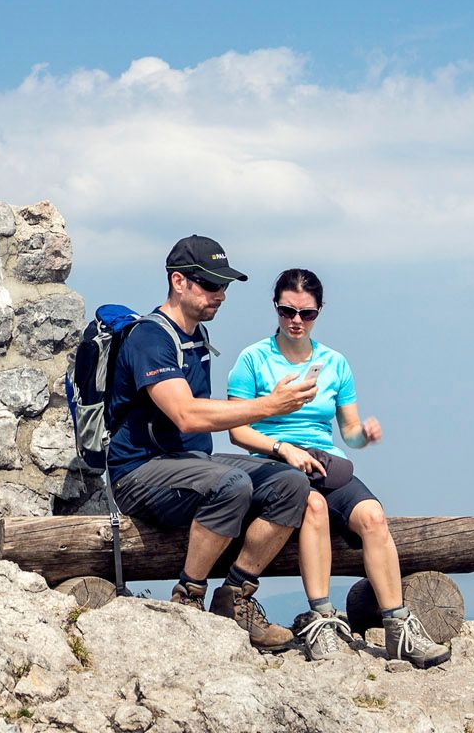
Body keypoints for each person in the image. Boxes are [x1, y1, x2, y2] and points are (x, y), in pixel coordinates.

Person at [105, 234, 320, 650]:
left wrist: (275, 432)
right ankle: (189, 600)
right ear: (178, 281)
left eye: (224, 286)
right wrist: (269, 406)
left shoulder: (197, 337)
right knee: (231, 485)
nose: (220, 295)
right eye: (210, 284)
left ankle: (235, 595)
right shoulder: (151, 339)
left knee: (291, 483)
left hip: (189, 463)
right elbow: (186, 413)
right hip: (139, 472)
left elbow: (206, 417)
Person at [227, 268, 450, 667]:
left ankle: (398, 625)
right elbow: (236, 430)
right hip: (273, 463)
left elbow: (347, 429)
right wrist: (281, 448)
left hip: (326, 462)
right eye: (287, 311)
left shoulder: (335, 363)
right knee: (311, 508)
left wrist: (364, 435)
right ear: (275, 307)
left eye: (306, 314)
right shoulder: (253, 359)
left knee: (373, 516)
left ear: (319, 312)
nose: (296, 321)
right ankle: (322, 619)